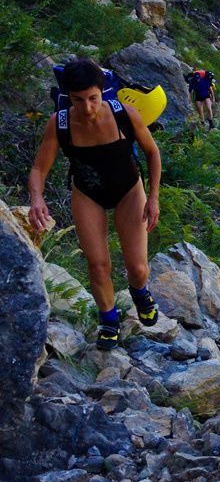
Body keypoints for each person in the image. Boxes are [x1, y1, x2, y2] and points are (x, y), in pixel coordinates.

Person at [28, 59, 162, 351]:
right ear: (68, 97)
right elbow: (39, 169)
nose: (87, 108)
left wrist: (153, 198)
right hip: (87, 192)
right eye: (78, 101)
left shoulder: (124, 114)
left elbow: (152, 153)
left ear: (102, 92)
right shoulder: (60, 123)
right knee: (98, 264)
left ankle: (140, 292)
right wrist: (37, 198)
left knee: (137, 267)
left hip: (129, 189)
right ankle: (109, 321)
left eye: (93, 98)